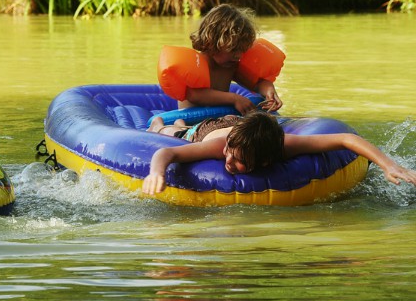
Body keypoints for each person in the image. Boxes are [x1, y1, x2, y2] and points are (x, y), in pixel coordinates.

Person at [143, 112, 416, 195]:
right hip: (210, 131)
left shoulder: (285, 146)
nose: (229, 161)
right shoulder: (221, 147)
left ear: (264, 161)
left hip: (239, 127)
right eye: (231, 155)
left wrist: (388, 165)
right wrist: (156, 172)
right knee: (174, 134)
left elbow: (346, 138)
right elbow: (168, 153)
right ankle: (165, 122)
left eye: (239, 161)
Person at [183, 3, 282, 114]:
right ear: (211, 42)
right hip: (190, 121)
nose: (238, 56)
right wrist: (234, 99)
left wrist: (269, 90)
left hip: (218, 120)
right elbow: (194, 95)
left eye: (242, 51)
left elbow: (257, 84)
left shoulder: (231, 67)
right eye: (233, 49)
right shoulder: (195, 65)